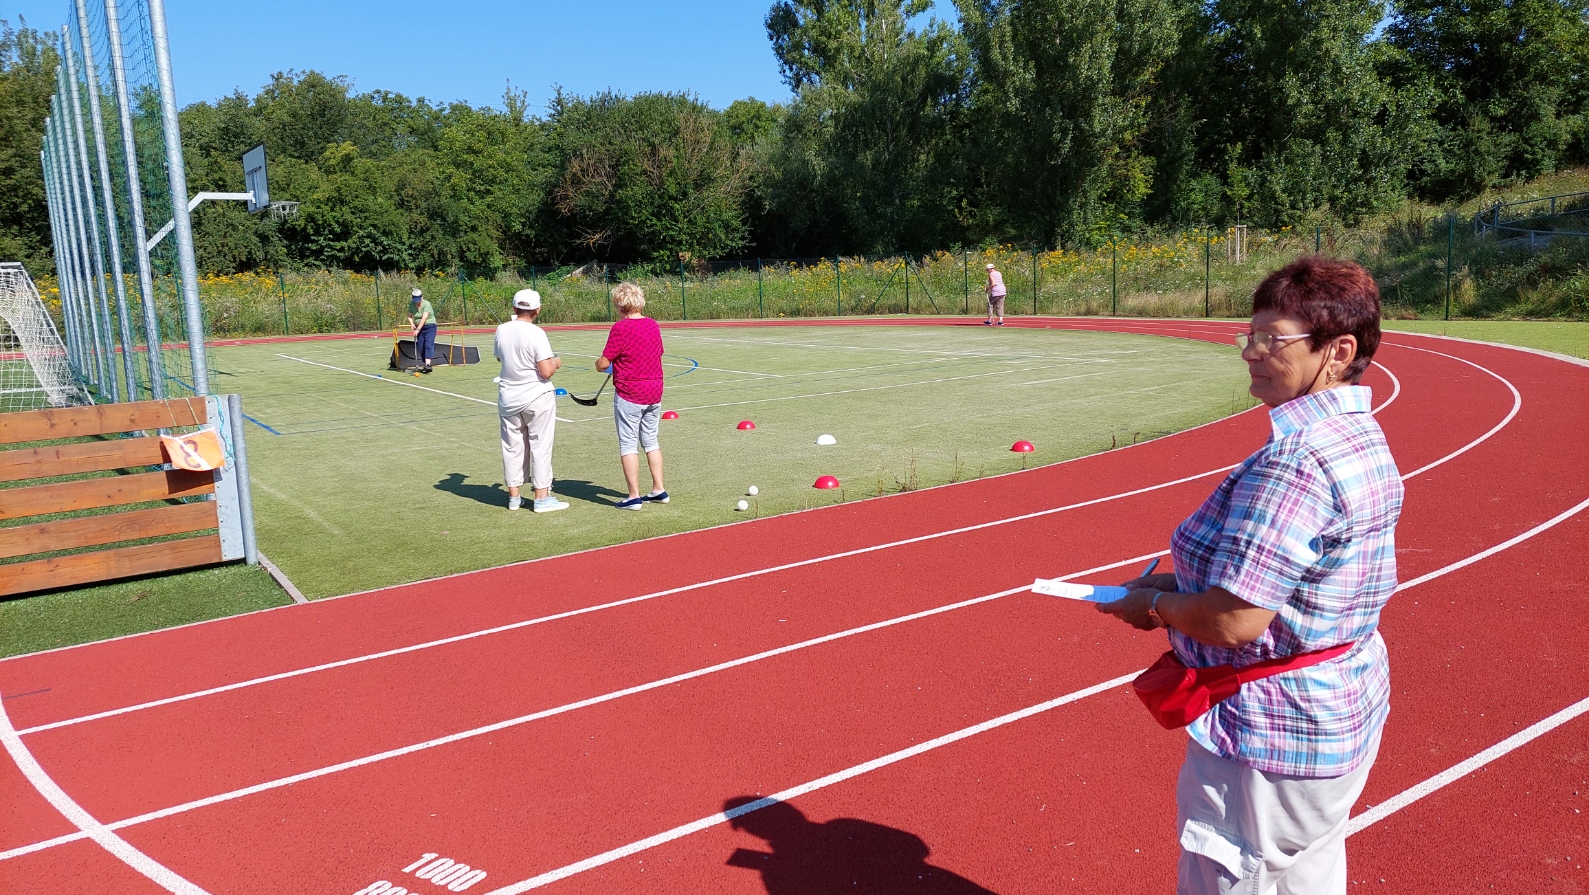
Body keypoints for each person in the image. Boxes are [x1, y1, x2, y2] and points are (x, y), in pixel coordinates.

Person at [1096, 256, 1403, 895]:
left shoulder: (1298, 461)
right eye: (1251, 335)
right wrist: (1174, 589)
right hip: (1335, 714)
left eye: (1272, 339)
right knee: (1304, 875)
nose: (1250, 352)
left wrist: (1153, 605)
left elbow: (1235, 620)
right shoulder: (1355, 433)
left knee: (1240, 878)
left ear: (1339, 352)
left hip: (1269, 738)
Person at [494, 289, 566, 513]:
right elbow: (546, 371)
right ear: (538, 310)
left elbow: (499, 357)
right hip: (536, 396)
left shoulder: (502, 329)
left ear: (514, 308)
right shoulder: (536, 333)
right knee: (540, 445)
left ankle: (514, 497)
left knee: (512, 447)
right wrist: (555, 362)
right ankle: (541, 498)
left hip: (509, 397)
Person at [596, 282, 667, 510]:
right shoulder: (652, 324)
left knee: (628, 445)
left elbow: (604, 362)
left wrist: (602, 364)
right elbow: (656, 352)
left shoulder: (620, 328)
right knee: (651, 441)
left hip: (630, 393)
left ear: (620, 306)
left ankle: (634, 496)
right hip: (654, 391)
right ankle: (659, 489)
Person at [407, 288, 438, 373]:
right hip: (419, 327)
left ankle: (428, 365)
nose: (417, 302)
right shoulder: (412, 304)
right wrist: (412, 324)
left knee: (428, 344)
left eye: (418, 299)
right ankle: (425, 364)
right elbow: (409, 316)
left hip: (430, 326)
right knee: (421, 346)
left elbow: (424, 318)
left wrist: (417, 329)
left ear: (422, 297)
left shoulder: (426, 304)